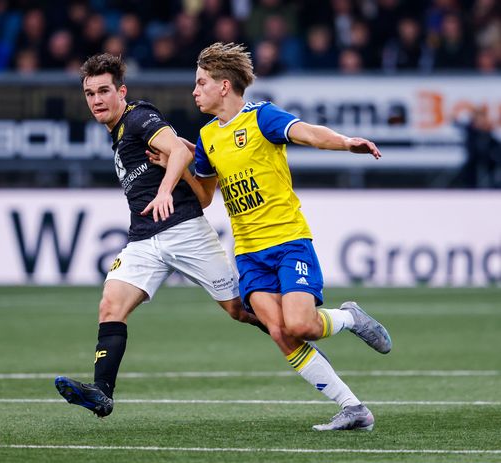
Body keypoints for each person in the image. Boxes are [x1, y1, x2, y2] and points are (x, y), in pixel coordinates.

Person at [145, 42, 392, 431]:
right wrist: (183, 167)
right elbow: (208, 196)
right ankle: (353, 407)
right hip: (249, 253)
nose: (194, 91)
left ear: (224, 86)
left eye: (201, 83)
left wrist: (345, 142)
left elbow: (307, 133)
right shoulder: (208, 137)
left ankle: (348, 317)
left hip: (289, 241)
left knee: (302, 325)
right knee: (278, 331)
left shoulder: (262, 118)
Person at [54, 53, 267, 418]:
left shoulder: (138, 116)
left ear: (121, 92)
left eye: (104, 91)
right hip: (143, 238)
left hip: (183, 228)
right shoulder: (119, 134)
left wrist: (165, 190)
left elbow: (177, 151)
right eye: (90, 94)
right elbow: (185, 156)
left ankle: (306, 327)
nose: (97, 100)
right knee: (110, 306)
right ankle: (101, 393)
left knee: (241, 310)